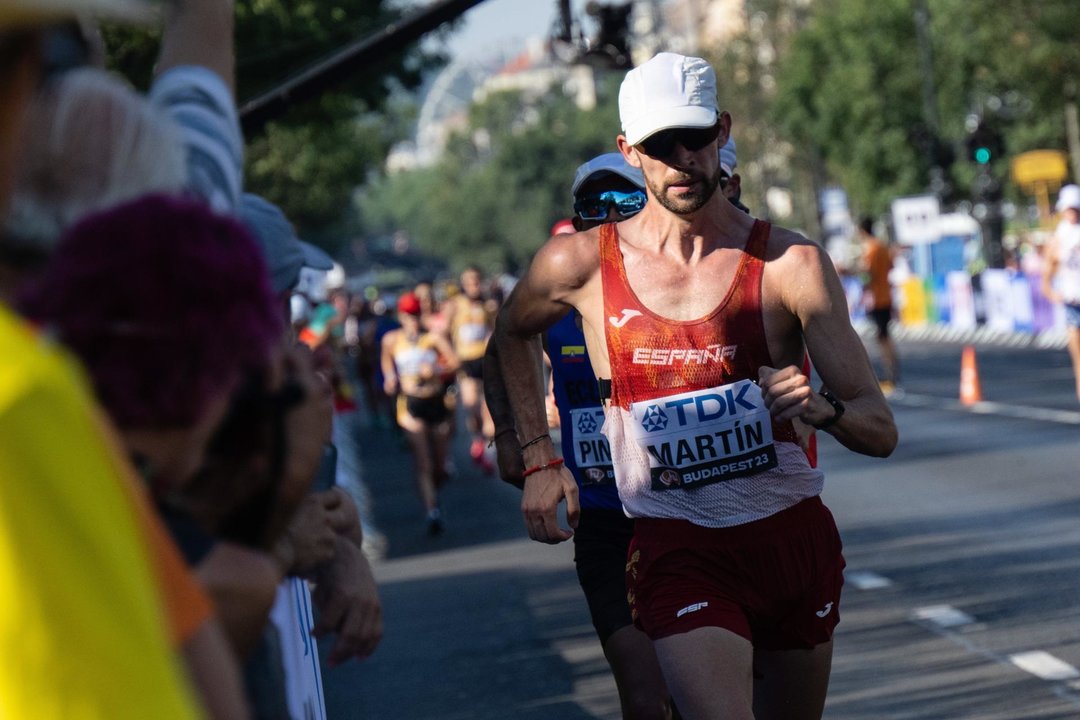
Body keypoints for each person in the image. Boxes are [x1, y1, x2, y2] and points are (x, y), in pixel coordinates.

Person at [493, 52, 896, 720]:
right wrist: (536, 455)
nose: (682, 159)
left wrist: (820, 408)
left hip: (790, 539)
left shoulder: (790, 265)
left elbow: (879, 429)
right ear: (630, 151)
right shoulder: (581, 264)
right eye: (659, 145)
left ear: (723, 131)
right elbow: (510, 331)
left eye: (696, 138)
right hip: (677, 544)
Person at [489, 152, 680, 719]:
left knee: (707, 692)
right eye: (590, 208)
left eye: (623, 203)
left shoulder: (681, 284)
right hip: (605, 519)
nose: (606, 219)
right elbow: (502, 342)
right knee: (646, 698)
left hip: (687, 512)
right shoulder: (561, 296)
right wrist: (522, 445)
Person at [382, 291, 460, 534]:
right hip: (410, 406)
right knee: (423, 461)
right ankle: (431, 511)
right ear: (401, 316)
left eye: (416, 315)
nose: (412, 320)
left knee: (440, 468)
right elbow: (386, 362)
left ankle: (432, 493)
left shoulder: (433, 338)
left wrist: (435, 369)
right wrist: (390, 378)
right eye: (408, 315)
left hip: (435, 402)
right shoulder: (392, 340)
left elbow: (455, 362)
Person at [449, 265, 496, 472]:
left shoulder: (488, 305)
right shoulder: (455, 305)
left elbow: (493, 329)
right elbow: (444, 331)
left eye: (476, 281)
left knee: (489, 409)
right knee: (470, 405)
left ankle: (488, 451)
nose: (474, 286)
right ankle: (477, 439)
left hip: (485, 359)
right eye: (469, 282)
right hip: (465, 361)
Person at [1042, 183, 1080, 402]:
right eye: (1068, 209)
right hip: (1071, 300)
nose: (1072, 213)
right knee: (1077, 353)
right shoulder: (1058, 238)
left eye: (1075, 209)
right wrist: (1050, 290)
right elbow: (1048, 270)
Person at [859, 216, 899, 393]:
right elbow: (890, 266)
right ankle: (891, 372)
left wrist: (857, 275)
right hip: (887, 295)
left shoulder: (871, 249)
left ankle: (890, 374)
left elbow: (868, 274)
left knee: (883, 338)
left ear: (861, 231)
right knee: (884, 336)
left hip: (877, 298)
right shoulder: (883, 247)